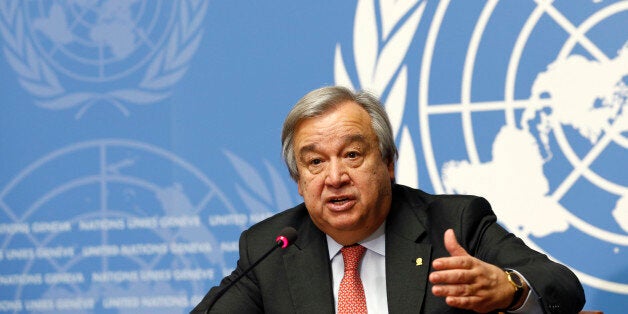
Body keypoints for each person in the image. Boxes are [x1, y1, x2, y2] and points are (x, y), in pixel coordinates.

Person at [192, 86, 585, 313]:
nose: (334, 178)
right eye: (314, 162)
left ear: (388, 162)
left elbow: (563, 286)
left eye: (352, 155)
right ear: (299, 181)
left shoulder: (454, 223)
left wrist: (510, 288)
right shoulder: (270, 247)